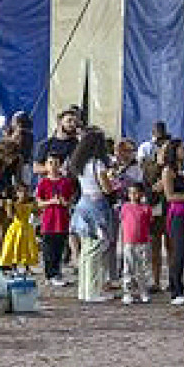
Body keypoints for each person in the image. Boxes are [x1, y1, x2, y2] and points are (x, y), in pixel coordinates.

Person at [70, 128, 114, 303]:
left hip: (83, 204)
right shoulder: (98, 164)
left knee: (86, 251)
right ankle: (93, 292)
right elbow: (107, 189)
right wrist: (112, 181)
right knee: (95, 250)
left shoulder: (80, 164)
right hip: (97, 206)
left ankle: (84, 290)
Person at [157, 139, 184, 305]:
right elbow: (170, 196)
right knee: (180, 252)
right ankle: (176, 290)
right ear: (174, 151)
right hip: (178, 214)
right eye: (182, 148)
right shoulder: (168, 171)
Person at [35, 154, 74, 286]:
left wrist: (64, 202)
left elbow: (69, 201)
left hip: (62, 220)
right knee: (48, 249)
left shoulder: (65, 182)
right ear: (46, 165)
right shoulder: (43, 182)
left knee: (59, 248)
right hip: (48, 221)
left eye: (56, 163)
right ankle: (50, 274)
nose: (53, 166)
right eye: (50, 163)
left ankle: (56, 272)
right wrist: (51, 201)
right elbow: (39, 203)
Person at [118, 181, 154, 303]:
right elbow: (122, 223)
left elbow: (149, 223)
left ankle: (143, 291)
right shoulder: (125, 207)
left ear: (141, 194)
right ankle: (128, 293)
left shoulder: (146, 208)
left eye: (135, 193)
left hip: (143, 242)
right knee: (128, 268)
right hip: (129, 243)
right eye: (130, 193)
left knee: (142, 269)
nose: (133, 195)